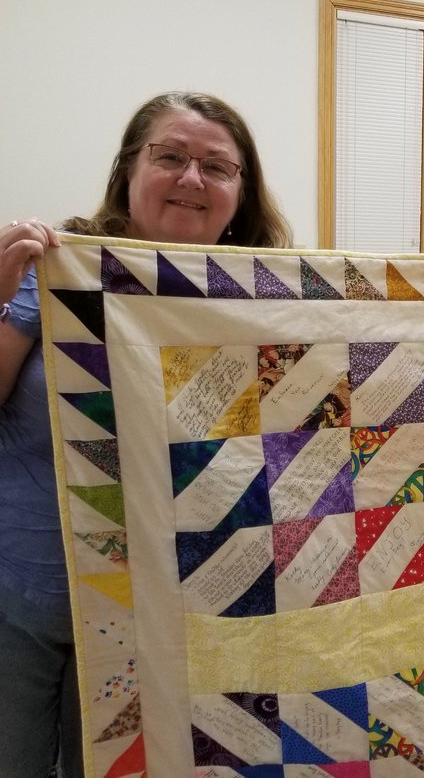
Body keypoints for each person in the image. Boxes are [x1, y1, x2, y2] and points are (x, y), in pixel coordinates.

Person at [0, 91, 292, 777]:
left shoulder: (262, 299)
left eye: (217, 167)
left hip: (158, 614)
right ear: (129, 170)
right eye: (171, 157)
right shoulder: (59, 274)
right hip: (21, 599)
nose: (192, 179)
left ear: (240, 192)